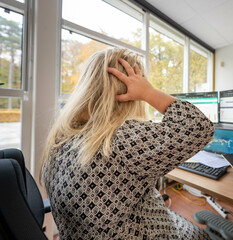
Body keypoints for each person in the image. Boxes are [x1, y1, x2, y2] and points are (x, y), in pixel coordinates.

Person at [41, 48, 214, 239]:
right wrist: (149, 92)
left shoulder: (60, 136)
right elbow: (199, 126)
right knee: (200, 234)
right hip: (141, 232)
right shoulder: (122, 139)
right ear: (130, 92)